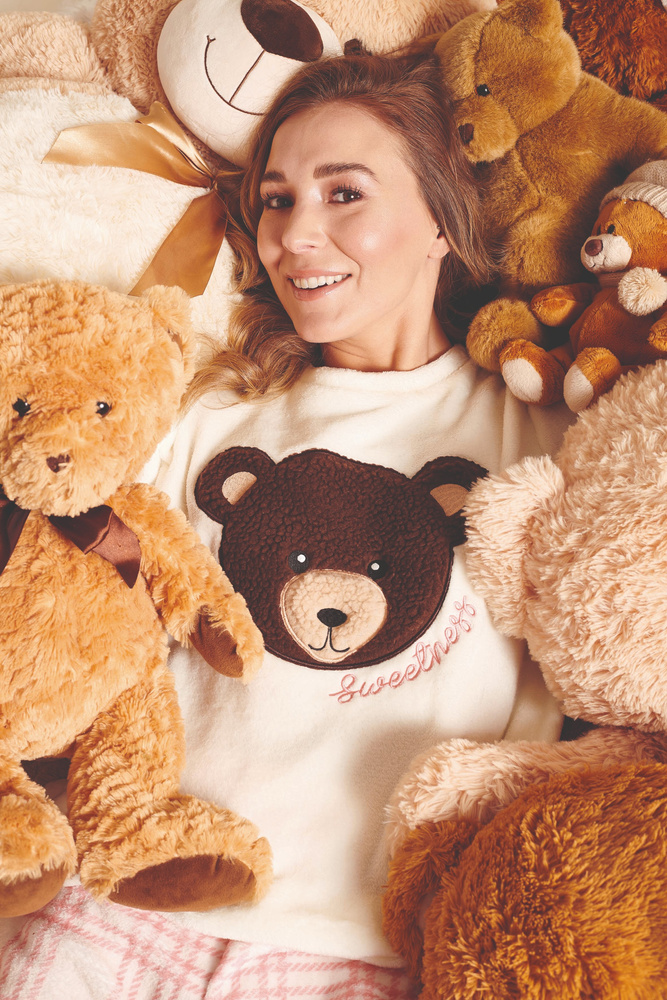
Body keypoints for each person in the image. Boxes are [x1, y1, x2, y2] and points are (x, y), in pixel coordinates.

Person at [0, 52, 572, 999]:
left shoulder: (537, 432)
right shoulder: (208, 408)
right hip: (126, 902)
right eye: (275, 200)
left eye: (344, 193)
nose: (295, 234)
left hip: (361, 951)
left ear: (440, 218)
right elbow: (63, 575)